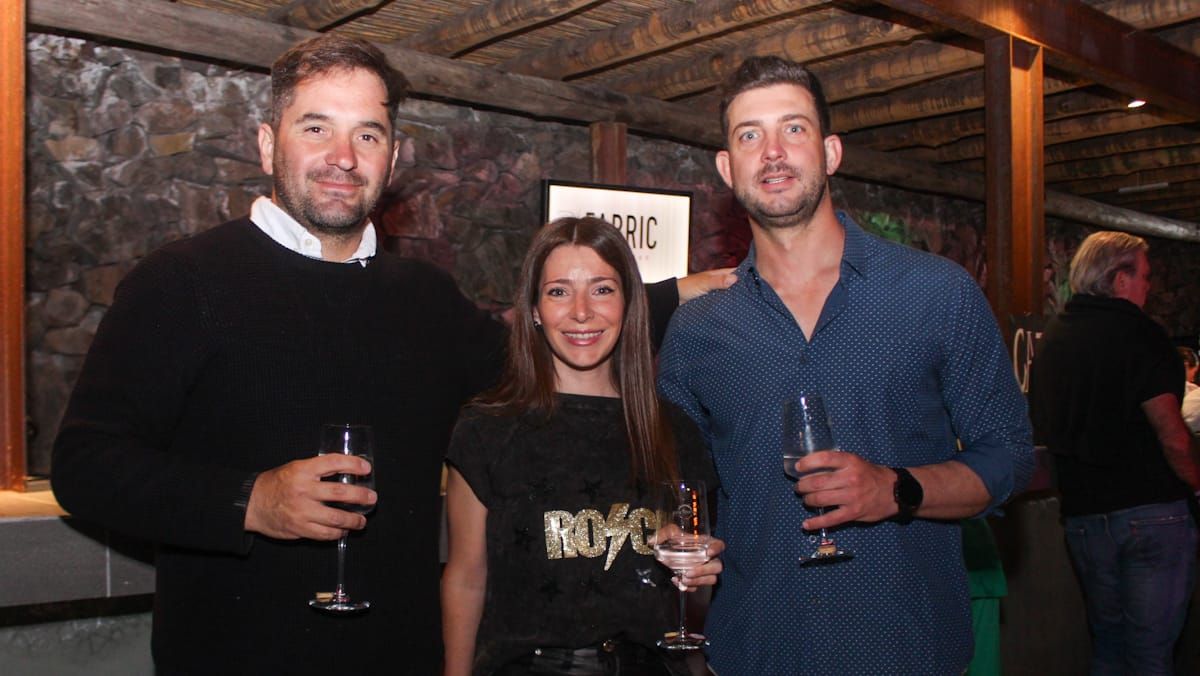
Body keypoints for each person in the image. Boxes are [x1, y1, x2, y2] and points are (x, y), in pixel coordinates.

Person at [50, 35, 728, 674]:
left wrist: (670, 295)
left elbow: (550, 353)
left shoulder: (425, 299)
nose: (343, 155)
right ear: (266, 144)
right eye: (316, 127)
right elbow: (84, 466)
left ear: (394, 158)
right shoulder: (182, 282)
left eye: (367, 134)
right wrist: (248, 502)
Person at [656, 56, 1035, 675]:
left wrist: (896, 488)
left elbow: (1008, 457)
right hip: (755, 653)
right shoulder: (699, 329)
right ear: (727, 169)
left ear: (831, 152)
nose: (772, 152)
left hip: (908, 651)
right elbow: (680, 486)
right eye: (749, 135)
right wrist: (676, 535)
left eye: (794, 129)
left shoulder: (936, 292)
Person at [441, 217, 723, 676]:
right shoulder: (486, 430)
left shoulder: (675, 431)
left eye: (602, 290)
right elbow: (466, 579)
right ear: (534, 309)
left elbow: (692, 598)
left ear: (630, 304)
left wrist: (696, 575)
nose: (580, 312)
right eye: (558, 291)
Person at [1030, 231, 1200, 675]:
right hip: (1151, 511)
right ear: (1120, 277)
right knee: (1152, 652)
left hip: (1084, 516)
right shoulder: (1142, 336)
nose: (1149, 287)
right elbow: (1171, 434)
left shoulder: (1052, 342)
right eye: (1144, 276)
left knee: (1108, 645)